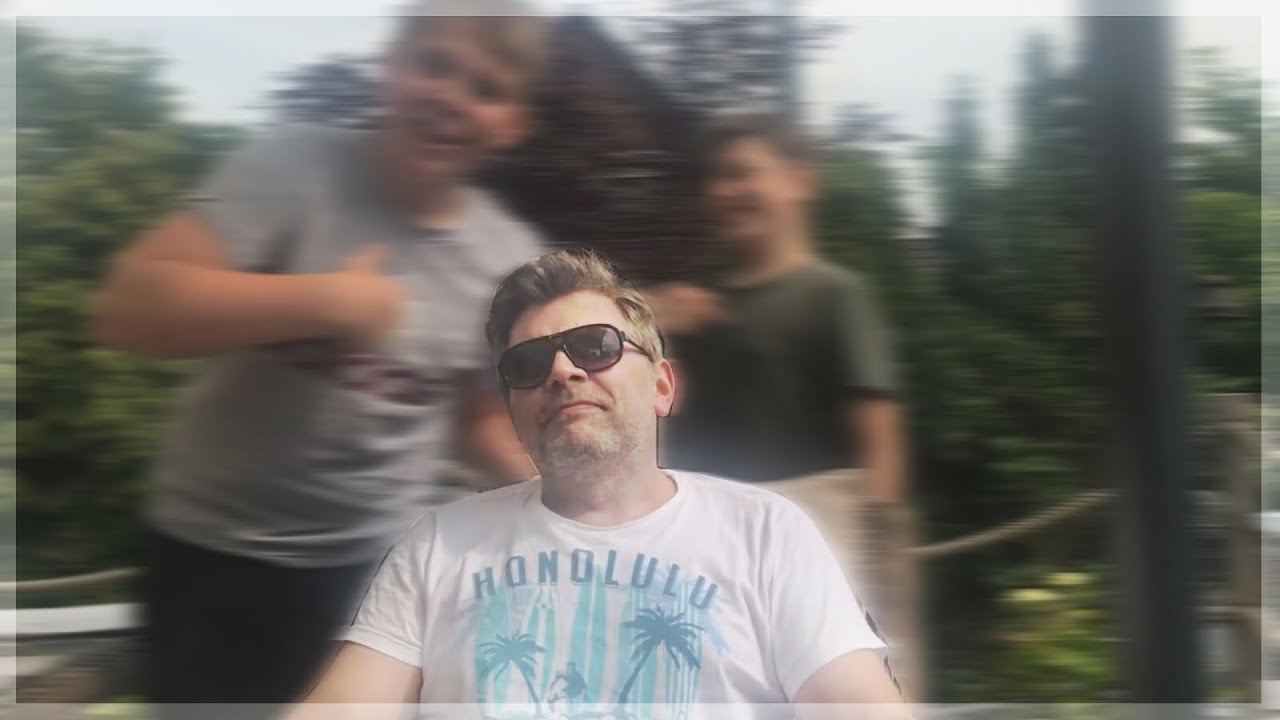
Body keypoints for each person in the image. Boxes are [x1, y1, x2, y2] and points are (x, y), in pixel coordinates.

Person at [90, 0, 547, 711]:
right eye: (436, 65)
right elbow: (129, 309)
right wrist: (323, 302)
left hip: (372, 574)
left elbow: (476, 414)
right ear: (390, 65)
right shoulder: (294, 167)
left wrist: (562, 490)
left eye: (486, 89)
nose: (453, 97)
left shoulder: (504, 260)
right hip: (210, 555)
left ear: (513, 124)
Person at [292, 249, 907, 720]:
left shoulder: (766, 532)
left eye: (594, 347)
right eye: (527, 364)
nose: (561, 370)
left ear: (662, 386)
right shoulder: (438, 545)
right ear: (513, 410)